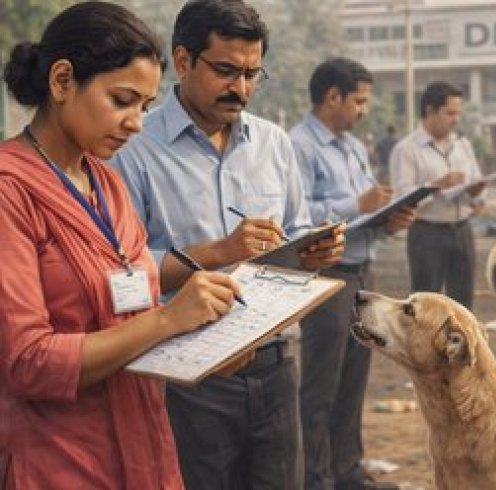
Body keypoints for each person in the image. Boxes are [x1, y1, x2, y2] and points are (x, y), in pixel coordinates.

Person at [0, 2, 242, 488]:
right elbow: (28, 362)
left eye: (145, 107)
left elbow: (131, 318)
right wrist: (170, 318)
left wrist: (205, 345)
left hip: (143, 444)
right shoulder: (10, 189)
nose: (135, 122)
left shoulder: (107, 184)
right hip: (60, 459)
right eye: (122, 99)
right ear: (62, 81)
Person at [110, 1, 344, 488]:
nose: (240, 88)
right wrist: (216, 251)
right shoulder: (133, 148)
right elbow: (120, 275)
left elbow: (295, 230)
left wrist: (312, 252)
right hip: (187, 372)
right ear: (182, 61)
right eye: (226, 70)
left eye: (252, 73)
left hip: (274, 364)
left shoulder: (274, 143)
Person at [290, 57, 415, 490]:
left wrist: (388, 219)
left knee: (354, 378)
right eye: (359, 101)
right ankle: (316, 477)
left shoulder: (355, 147)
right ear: (332, 97)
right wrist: (356, 206)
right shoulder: (298, 146)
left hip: (362, 270)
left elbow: (368, 212)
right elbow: (298, 217)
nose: (364, 110)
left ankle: (348, 470)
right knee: (322, 384)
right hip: (326, 275)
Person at [390, 81, 487, 309]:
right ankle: (426, 346)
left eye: (458, 113)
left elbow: (476, 179)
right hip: (427, 233)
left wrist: (477, 195)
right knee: (426, 303)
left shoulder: (462, 145)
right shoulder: (407, 149)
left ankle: (458, 345)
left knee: (463, 302)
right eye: (450, 113)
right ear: (430, 111)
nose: (455, 119)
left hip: (462, 229)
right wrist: (436, 185)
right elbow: (402, 196)